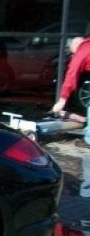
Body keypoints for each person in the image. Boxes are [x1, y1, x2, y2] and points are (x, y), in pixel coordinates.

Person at [51, 36, 90, 198]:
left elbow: (72, 73)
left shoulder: (82, 51)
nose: (72, 55)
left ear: (75, 46)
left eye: (71, 52)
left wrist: (62, 100)